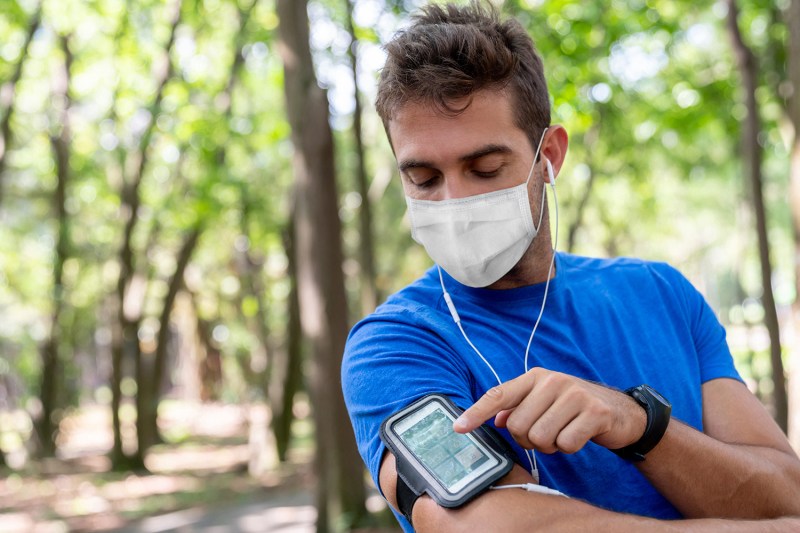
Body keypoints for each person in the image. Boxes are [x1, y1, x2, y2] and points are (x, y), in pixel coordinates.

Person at [341, 3, 800, 531]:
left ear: (549, 156)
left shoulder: (662, 294)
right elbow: (480, 523)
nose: (454, 202)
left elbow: (785, 494)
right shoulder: (394, 343)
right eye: (423, 179)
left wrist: (639, 424)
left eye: (485, 168)